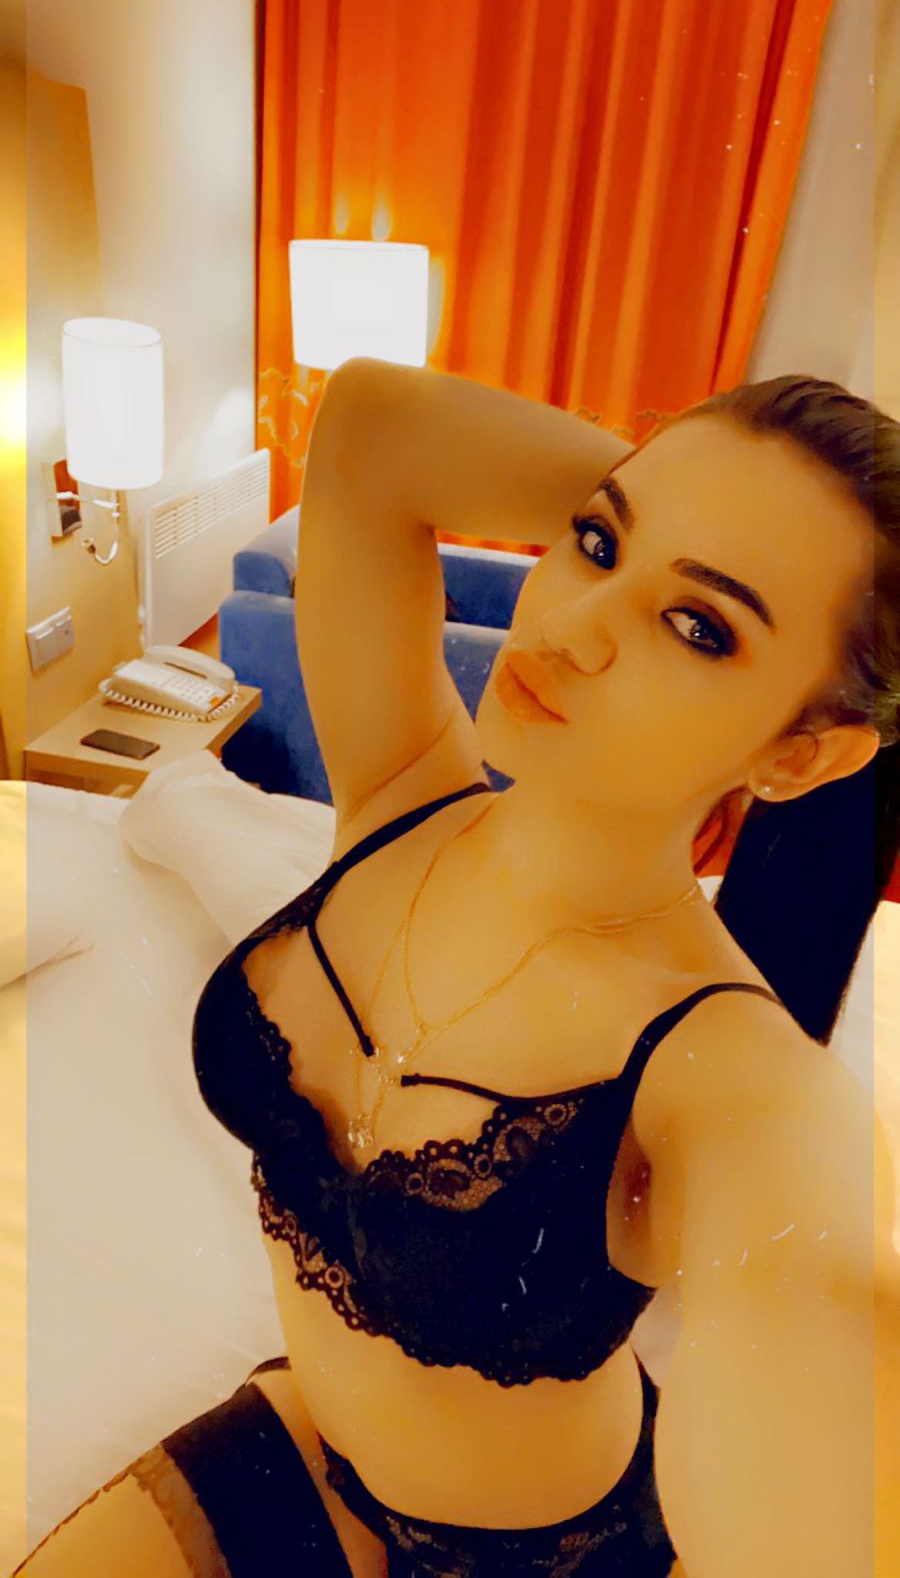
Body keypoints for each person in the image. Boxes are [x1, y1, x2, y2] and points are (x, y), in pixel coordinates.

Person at [16, 360, 900, 1577]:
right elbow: (372, 430)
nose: (570, 626)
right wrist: (690, 496)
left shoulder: (722, 1067)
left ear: (800, 757)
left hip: (543, 1553)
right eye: (597, 541)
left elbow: (828, 1326)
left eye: (697, 626)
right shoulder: (399, 791)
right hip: (310, 1442)